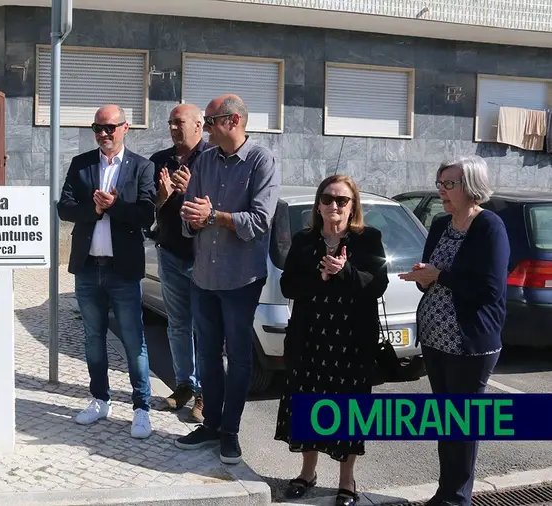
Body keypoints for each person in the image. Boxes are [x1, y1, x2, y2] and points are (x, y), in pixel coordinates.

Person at [175, 94, 280, 464]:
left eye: (209, 119)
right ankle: (211, 425)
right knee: (206, 354)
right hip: (203, 275)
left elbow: (260, 221)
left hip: (240, 280)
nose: (202, 125)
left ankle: (230, 432)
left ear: (232, 120)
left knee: (238, 358)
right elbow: (190, 216)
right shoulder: (203, 160)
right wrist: (192, 219)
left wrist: (214, 215)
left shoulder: (261, 161)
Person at [399, 156, 509, 506]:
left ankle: (458, 498)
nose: (442, 191)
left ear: (471, 187)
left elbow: (490, 288)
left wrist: (439, 276)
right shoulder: (440, 223)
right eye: (440, 183)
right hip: (434, 340)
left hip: (470, 343)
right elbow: (431, 278)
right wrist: (423, 276)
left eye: (449, 184)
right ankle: (445, 493)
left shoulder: (489, 226)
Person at [274, 175, 389, 506]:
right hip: (309, 339)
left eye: (342, 200)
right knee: (308, 404)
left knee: (348, 410)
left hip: (352, 342)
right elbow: (287, 286)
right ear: (318, 204)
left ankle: (346, 481)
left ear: (353, 206)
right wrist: (319, 275)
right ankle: (307, 473)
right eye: (327, 199)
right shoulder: (304, 239)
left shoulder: (368, 239)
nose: (334, 205)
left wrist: (345, 271)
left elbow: (376, 284)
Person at [57, 104, 156, 439]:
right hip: (87, 268)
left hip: (123, 271)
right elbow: (64, 208)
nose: (103, 134)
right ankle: (100, 399)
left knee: (133, 342)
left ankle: (142, 407)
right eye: (98, 128)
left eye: (110, 128)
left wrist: (116, 207)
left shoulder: (142, 167)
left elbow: (146, 215)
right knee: (93, 341)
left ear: (125, 128)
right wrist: (94, 208)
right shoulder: (81, 164)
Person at [148, 104, 212, 422]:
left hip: (204, 258)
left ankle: (205, 393)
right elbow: (147, 208)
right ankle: (184, 385)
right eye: (170, 122)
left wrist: (189, 193)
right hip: (170, 254)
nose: (173, 127)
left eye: (180, 122)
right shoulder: (160, 161)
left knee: (205, 328)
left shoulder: (214, 159)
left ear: (199, 124)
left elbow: (219, 206)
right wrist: (163, 195)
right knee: (177, 325)